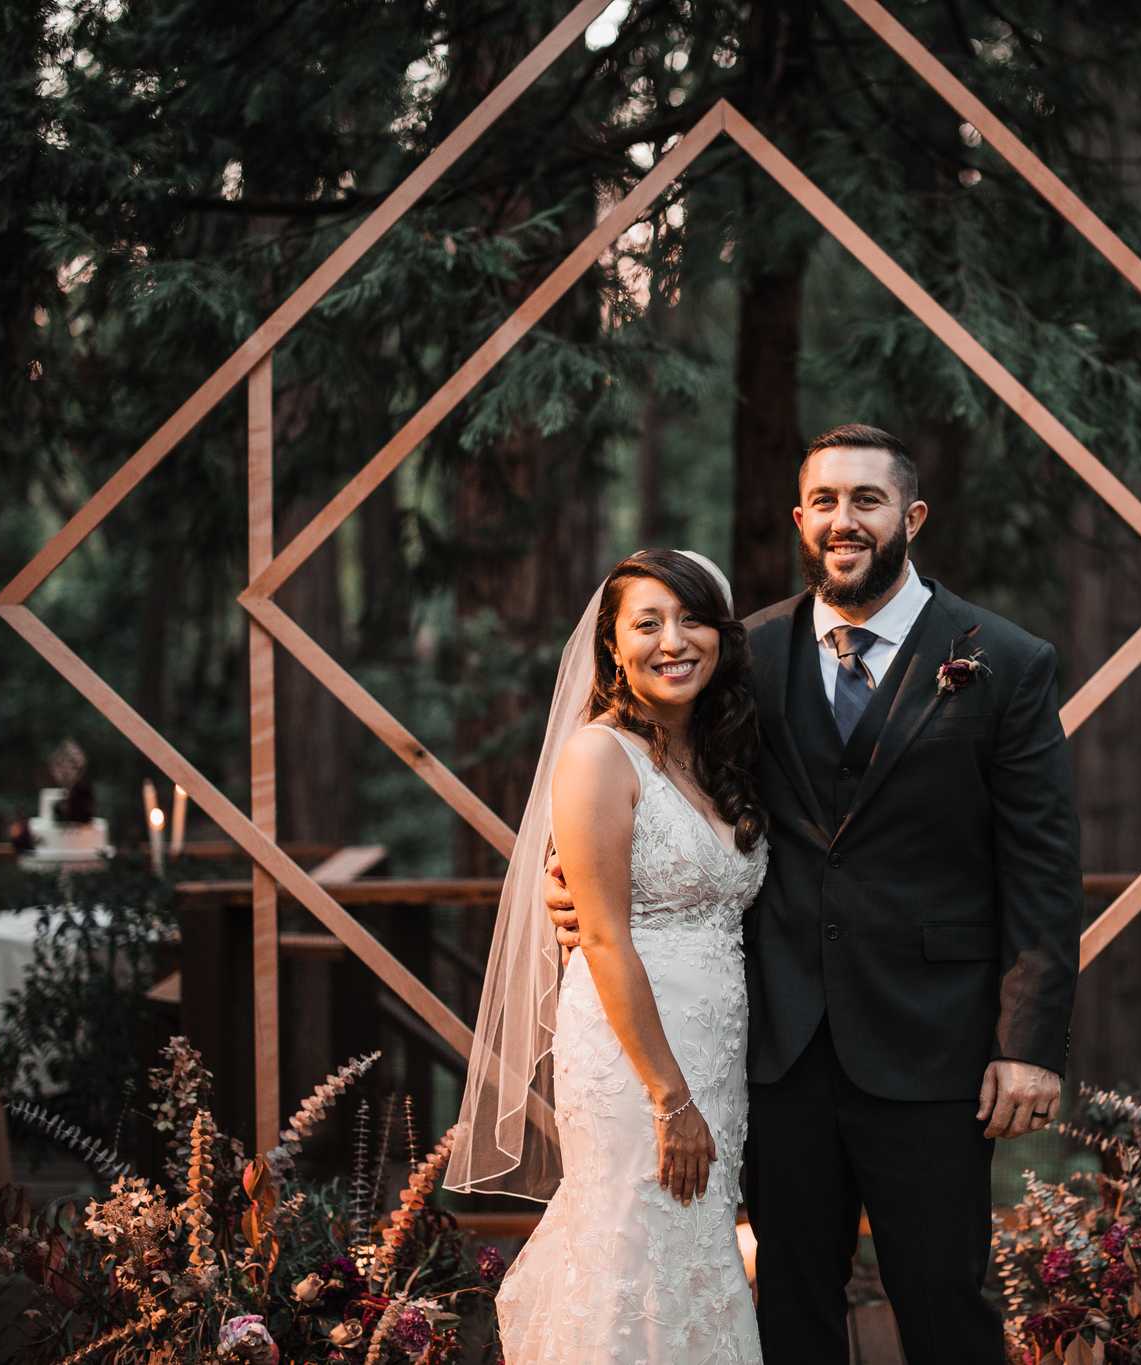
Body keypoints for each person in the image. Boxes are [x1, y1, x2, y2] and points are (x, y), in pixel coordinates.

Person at [551, 424, 1083, 1364]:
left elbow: (1041, 864)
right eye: (826, 502)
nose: (845, 519)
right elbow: (667, 779)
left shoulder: (1004, 660)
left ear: (910, 516)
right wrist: (579, 890)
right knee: (790, 1300)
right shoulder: (745, 652)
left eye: (867, 500)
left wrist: (1028, 1047)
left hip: (933, 1048)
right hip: (777, 1047)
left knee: (944, 1297)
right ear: (801, 519)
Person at [448, 548, 770, 1365]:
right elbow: (602, 935)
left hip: (714, 1051)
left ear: (722, 636)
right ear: (612, 647)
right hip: (640, 1061)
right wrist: (669, 1096)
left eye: (692, 618)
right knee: (634, 1238)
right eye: (648, 623)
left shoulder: (717, 753)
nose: (674, 640)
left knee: (689, 1247)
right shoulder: (599, 755)